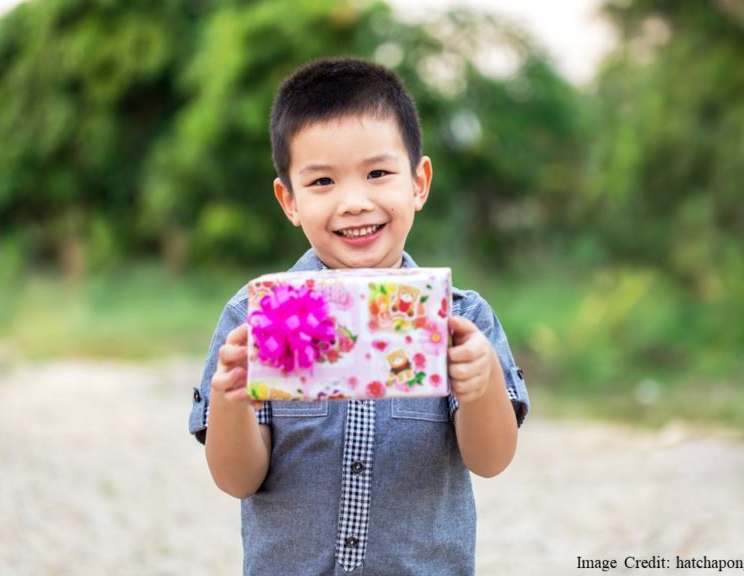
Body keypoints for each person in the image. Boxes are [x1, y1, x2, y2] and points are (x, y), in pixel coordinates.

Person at [189, 56, 530, 576]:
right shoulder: (254, 317)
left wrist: (479, 383)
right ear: (289, 200)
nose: (353, 201)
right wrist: (230, 395)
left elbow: (492, 460)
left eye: (377, 173)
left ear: (419, 181)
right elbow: (237, 479)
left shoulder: (461, 319)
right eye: (322, 182)